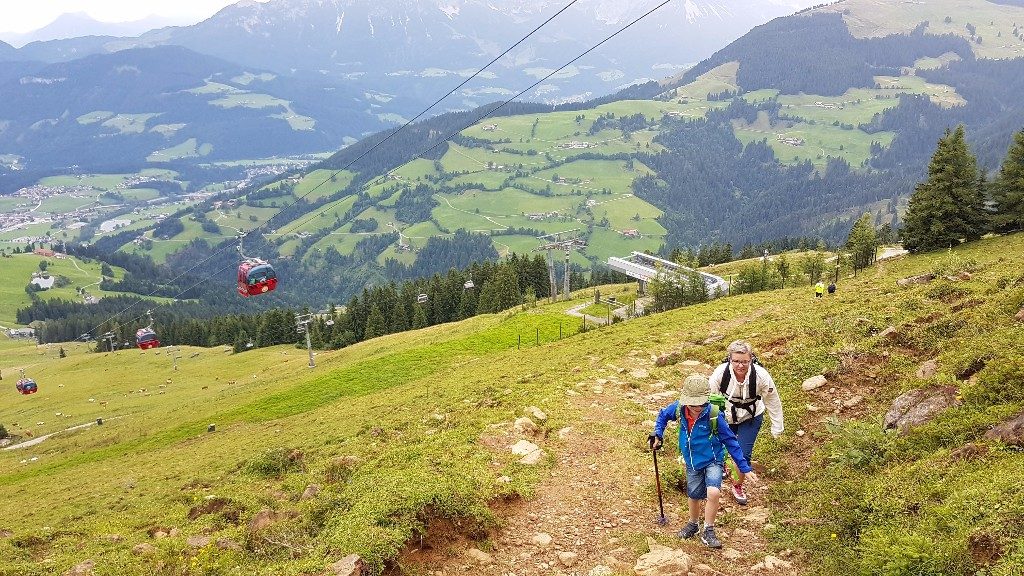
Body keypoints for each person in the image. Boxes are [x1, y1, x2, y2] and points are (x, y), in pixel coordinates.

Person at [649, 374, 758, 549]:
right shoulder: (678, 409)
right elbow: (662, 415)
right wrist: (658, 434)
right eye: (693, 404)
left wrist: (744, 467)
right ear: (685, 400)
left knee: (713, 492)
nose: (697, 407)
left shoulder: (713, 414)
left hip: (713, 459)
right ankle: (693, 524)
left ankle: (708, 529)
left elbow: (730, 441)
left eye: (701, 403)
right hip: (692, 460)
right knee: (693, 494)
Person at [708, 340, 784, 506]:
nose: (740, 365)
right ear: (730, 359)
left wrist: (777, 427)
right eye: (736, 361)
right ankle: (725, 466)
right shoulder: (720, 373)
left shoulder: (761, 376)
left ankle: (737, 485)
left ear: (751, 359)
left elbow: (772, 400)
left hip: (751, 416)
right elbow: (708, 397)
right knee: (721, 445)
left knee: (743, 454)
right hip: (727, 415)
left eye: (744, 361)